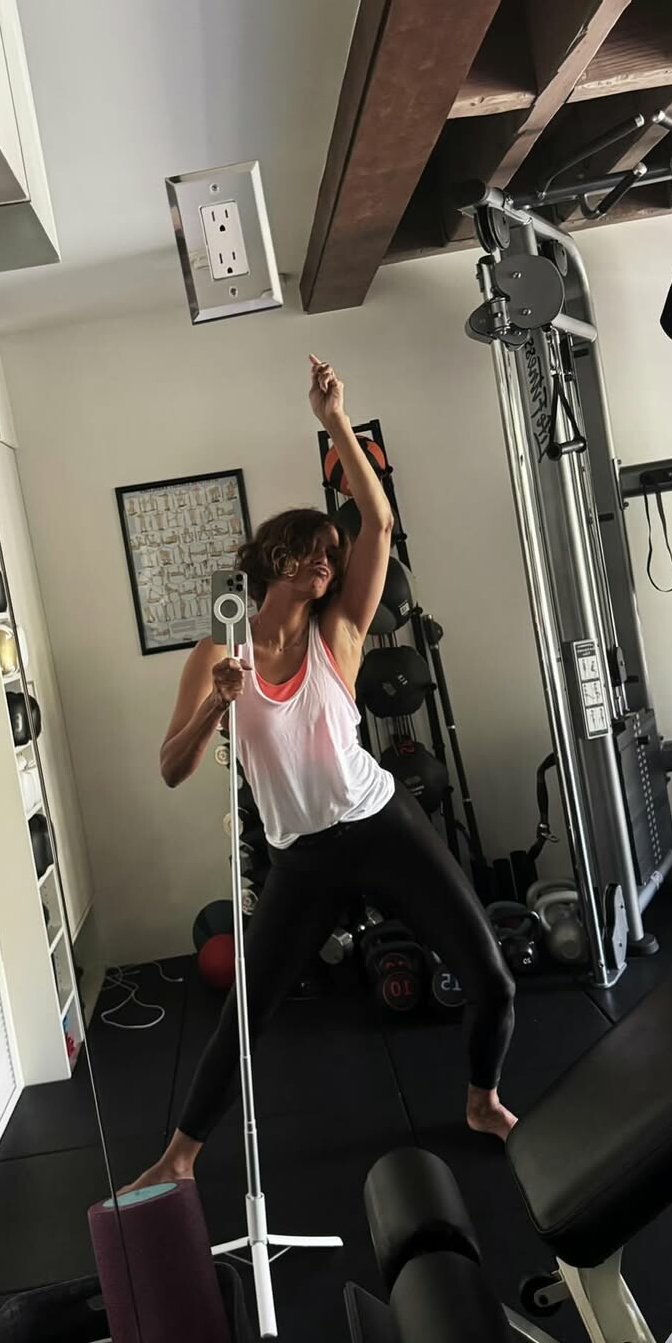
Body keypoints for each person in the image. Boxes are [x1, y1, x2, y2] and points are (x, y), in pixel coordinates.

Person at [124, 357, 517, 1194]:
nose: (329, 563)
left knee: (493, 980)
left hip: (380, 826)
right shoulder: (218, 652)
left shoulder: (340, 633)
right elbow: (171, 768)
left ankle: (482, 1100)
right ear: (276, 557)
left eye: (334, 556)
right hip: (299, 856)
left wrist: (335, 421)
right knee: (247, 1017)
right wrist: (217, 704)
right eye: (315, 552)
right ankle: (179, 1158)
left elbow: (379, 521)